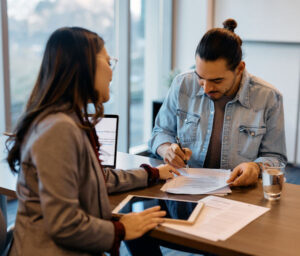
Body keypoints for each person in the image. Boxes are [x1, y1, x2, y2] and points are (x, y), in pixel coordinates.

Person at [5, 27, 180, 256]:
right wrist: (121, 229)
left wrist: (152, 174)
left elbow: (98, 178)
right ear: (84, 66)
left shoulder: (68, 120)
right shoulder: (58, 129)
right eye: (108, 62)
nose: (111, 72)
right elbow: (65, 224)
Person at [149, 19, 287, 187]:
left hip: (239, 196)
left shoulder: (269, 97)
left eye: (217, 80)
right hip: (185, 191)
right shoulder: (182, 84)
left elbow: (276, 157)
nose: (206, 88)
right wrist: (166, 149)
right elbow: (160, 131)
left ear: (239, 69)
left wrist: (256, 167)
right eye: (200, 78)